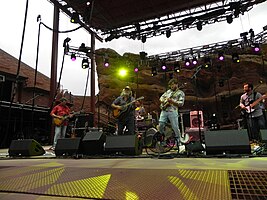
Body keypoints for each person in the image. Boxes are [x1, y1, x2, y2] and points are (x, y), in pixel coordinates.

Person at [159, 78, 185, 146]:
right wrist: (164, 101)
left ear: (177, 84)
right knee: (161, 124)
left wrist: (172, 102)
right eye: (170, 85)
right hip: (164, 110)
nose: (172, 86)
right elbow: (161, 98)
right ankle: (164, 139)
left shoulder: (180, 93)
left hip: (173, 111)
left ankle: (179, 141)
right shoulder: (168, 92)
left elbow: (181, 103)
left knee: (175, 127)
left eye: (173, 84)